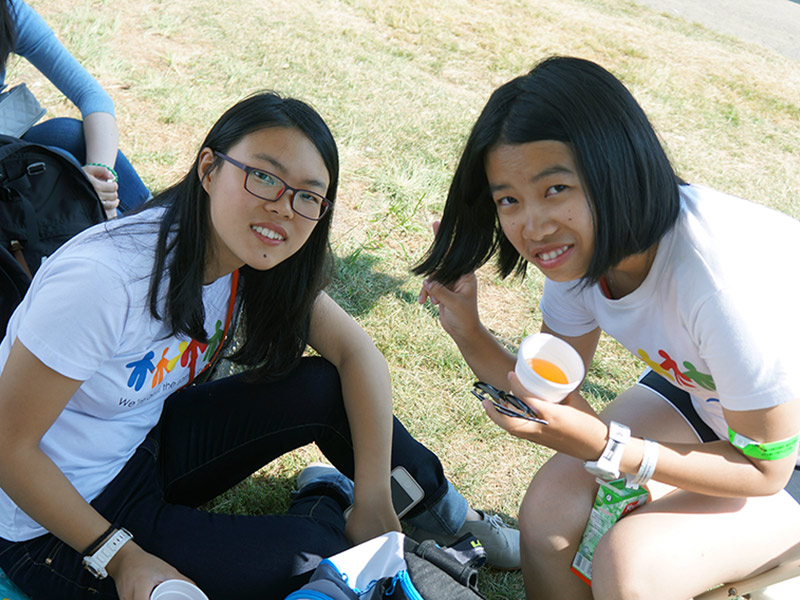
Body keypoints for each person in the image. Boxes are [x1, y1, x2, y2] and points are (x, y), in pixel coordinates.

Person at [0, 91, 518, 600]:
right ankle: (325, 498)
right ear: (209, 169)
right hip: (45, 523)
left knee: (322, 386)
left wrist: (375, 497)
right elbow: (8, 448)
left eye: (307, 196)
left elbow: (357, 354)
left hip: (139, 449)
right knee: (314, 556)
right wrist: (121, 554)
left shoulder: (248, 258)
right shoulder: (103, 283)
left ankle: (441, 516)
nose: (283, 208)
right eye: (264, 177)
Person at [414, 55, 800, 600]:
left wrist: (610, 446)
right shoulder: (579, 257)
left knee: (634, 564)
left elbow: (766, 471)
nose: (533, 226)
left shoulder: (719, 282)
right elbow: (553, 391)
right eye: (509, 200)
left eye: (555, 190)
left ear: (615, 167)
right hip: (707, 393)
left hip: (781, 450)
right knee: (549, 510)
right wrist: (468, 330)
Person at [0, 0, 150, 217]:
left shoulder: (9, 11)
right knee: (59, 165)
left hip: (6, 133)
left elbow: (92, 96)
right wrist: (79, 183)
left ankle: (159, 223)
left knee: (68, 134)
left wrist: (100, 177)